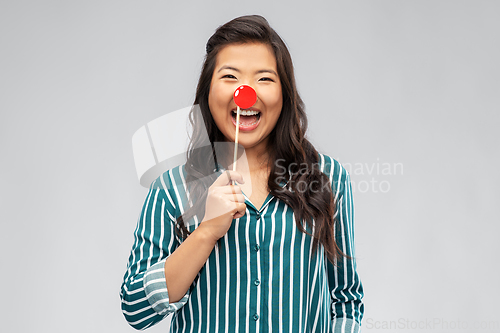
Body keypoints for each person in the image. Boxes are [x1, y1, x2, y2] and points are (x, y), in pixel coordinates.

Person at [120, 15, 364, 332]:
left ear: (284, 93)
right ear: (208, 92)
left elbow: (345, 301)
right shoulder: (171, 189)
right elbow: (136, 309)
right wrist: (205, 232)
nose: (245, 93)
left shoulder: (328, 178)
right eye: (230, 77)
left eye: (264, 79)